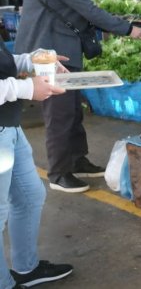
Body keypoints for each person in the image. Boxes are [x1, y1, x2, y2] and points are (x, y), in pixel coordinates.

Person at [14, 0, 141, 193]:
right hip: (49, 55)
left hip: (61, 51)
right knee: (60, 113)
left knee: (73, 110)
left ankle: (77, 160)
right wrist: (129, 29)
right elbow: (88, 10)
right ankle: (59, 174)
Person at [0, 46, 74, 288]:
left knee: (30, 196)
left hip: (8, 124)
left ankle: (26, 268)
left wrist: (32, 60)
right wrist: (27, 88)